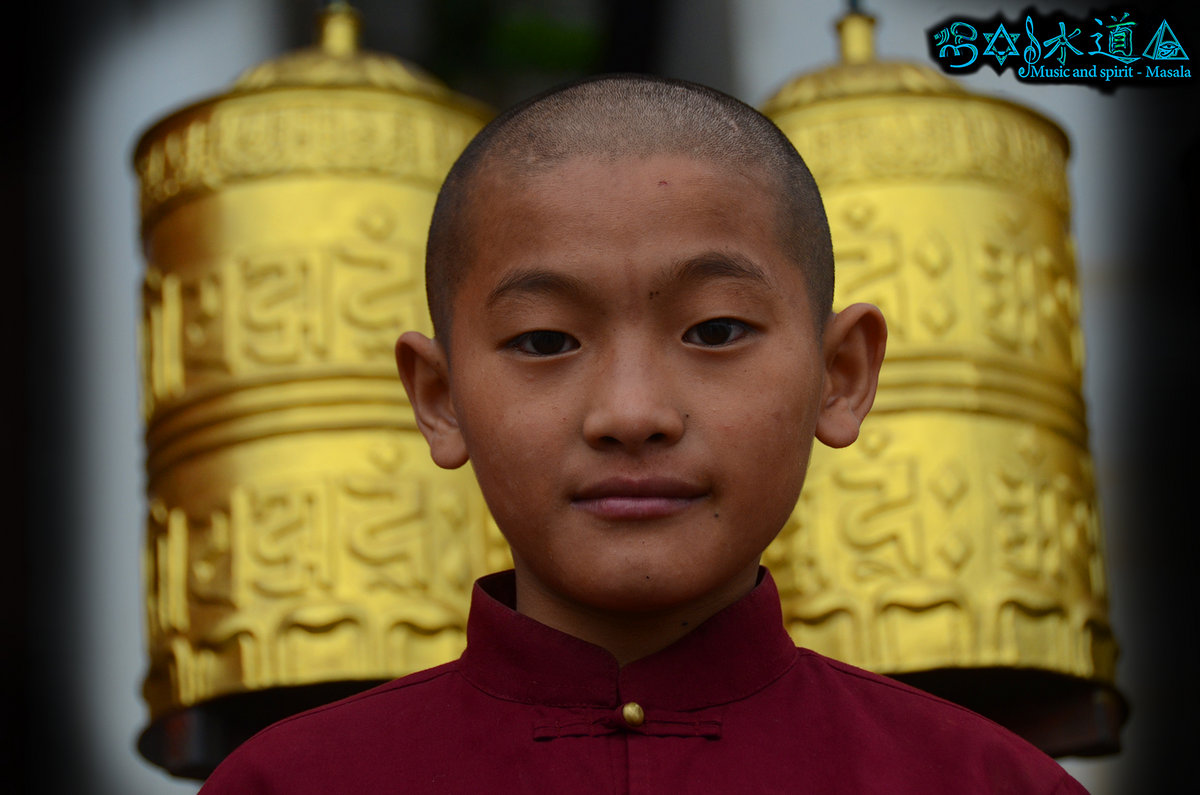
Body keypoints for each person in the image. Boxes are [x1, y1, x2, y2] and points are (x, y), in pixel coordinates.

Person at [199, 74, 1087, 794]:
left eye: (716, 329)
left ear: (841, 374)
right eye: (545, 341)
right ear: (439, 397)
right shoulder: (289, 784)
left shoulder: (988, 782)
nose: (631, 414)